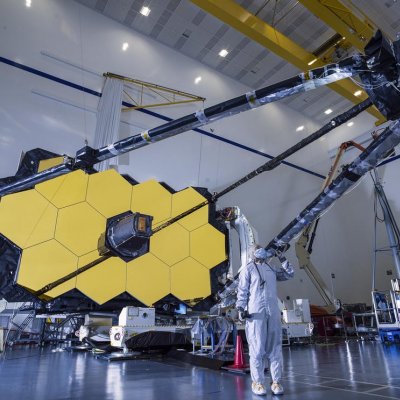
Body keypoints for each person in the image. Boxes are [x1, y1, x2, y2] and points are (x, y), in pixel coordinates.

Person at [236, 246, 294, 396]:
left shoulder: (271, 268)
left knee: (275, 348)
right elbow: (242, 291)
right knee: (257, 348)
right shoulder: (247, 270)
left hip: (272, 312)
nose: (260, 250)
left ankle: (276, 382)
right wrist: (241, 309)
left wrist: (282, 258)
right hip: (256, 313)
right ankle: (258, 383)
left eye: (261, 248)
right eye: (257, 248)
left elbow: (289, 274)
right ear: (251, 253)